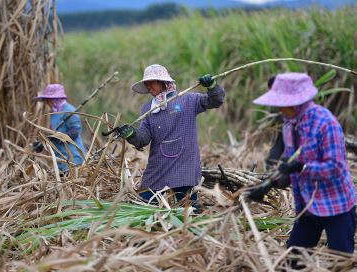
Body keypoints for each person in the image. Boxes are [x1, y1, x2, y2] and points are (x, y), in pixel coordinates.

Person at [248, 72, 356, 254]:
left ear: (297, 102)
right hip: (307, 206)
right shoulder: (289, 124)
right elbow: (290, 165)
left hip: (336, 205)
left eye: (283, 104)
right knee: (293, 260)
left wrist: (302, 167)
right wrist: (269, 185)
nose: (279, 108)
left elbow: (336, 167)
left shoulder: (325, 123)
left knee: (341, 260)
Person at [113, 64, 226, 210]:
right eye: (146, 83)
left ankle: (192, 230)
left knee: (188, 209)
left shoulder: (188, 100)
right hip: (159, 164)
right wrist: (131, 134)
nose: (148, 86)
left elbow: (215, 101)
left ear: (163, 82)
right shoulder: (149, 109)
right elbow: (144, 139)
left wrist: (212, 86)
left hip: (184, 163)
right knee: (145, 205)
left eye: (151, 82)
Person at [33, 84, 86, 174]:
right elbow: (54, 132)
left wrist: (56, 137)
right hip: (61, 157)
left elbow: (75, 132)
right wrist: (43, 142)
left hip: (73, 157)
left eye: (48, 100)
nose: (47, 103)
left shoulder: (69, 110)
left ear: (55, 99)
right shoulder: (54, 112)